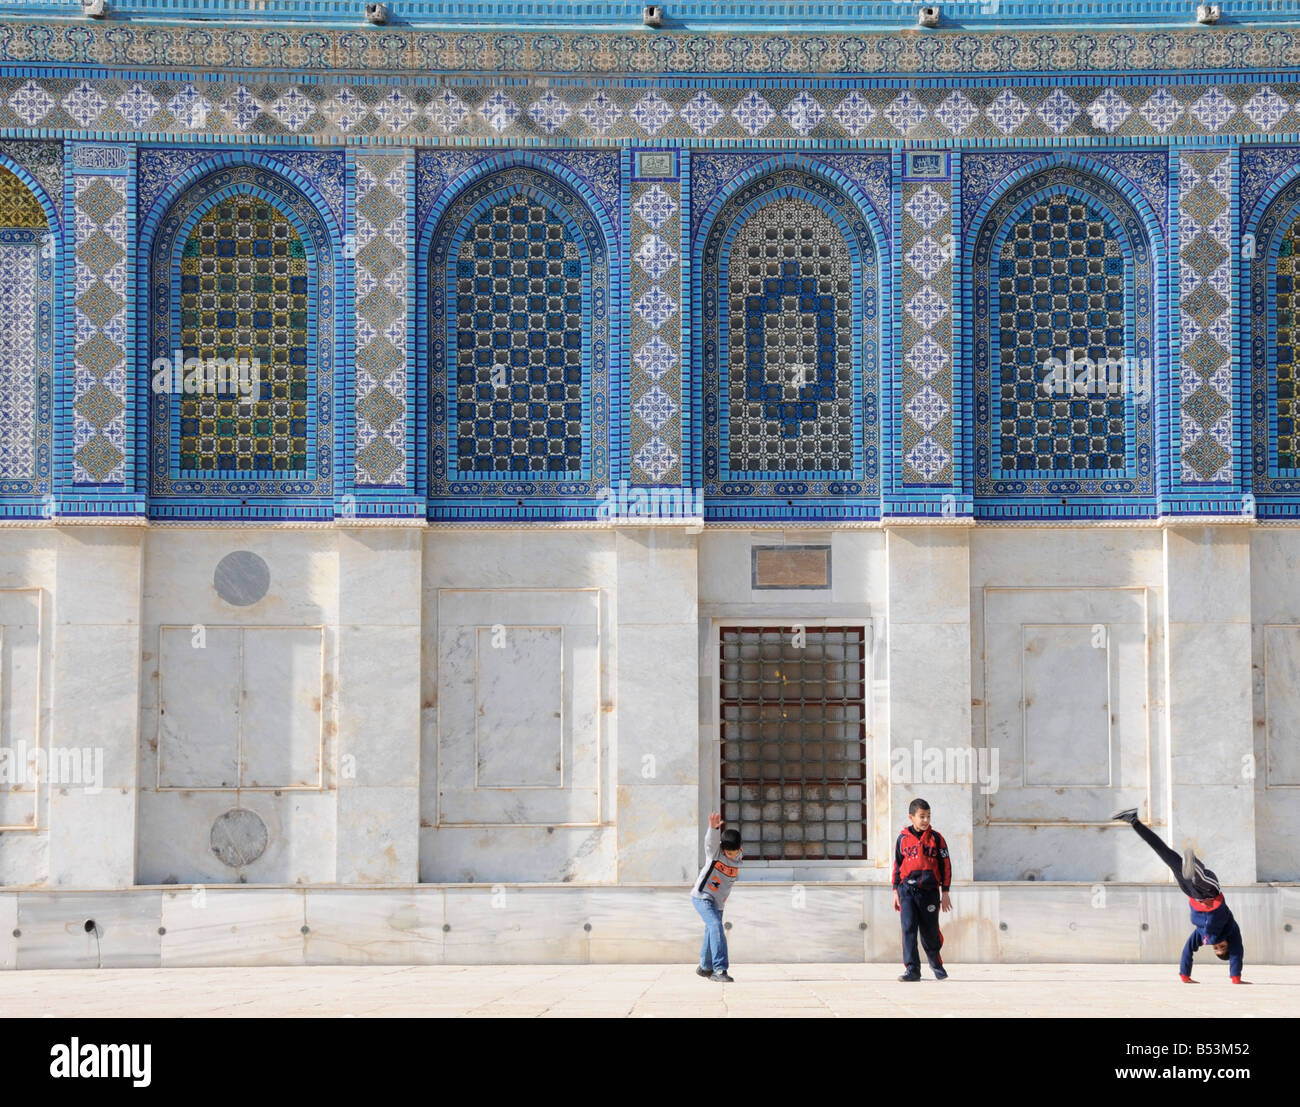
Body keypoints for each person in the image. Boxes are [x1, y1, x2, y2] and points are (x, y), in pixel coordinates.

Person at [1112, 809, 1244, 983]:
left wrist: (1185, 976)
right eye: (1222, 946)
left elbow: (1187, 950)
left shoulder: (1200, 935)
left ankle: (1134, 821)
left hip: (1193, 895)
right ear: (1228, 942)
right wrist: (1235, 978)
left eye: (1216, 948)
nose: (1217, 943)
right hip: (1212, 892)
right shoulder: (1232, 930)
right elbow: (1237, 951)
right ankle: (1193, 865)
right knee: (1201, 879)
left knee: (1162, 852)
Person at [892, 797, 952, 981]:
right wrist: (895, 890)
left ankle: (935, 962)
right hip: (907, 891)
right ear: (912, 817)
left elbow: (946, 865)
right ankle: (912, 970)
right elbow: (897, 865)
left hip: (929, 892)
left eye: (928, 816)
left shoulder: (937, 838)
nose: (926, 820)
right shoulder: (902, 839)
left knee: (929, 931)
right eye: (922, 816)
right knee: (908, 928)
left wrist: (946, 892)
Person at [691, 811, 742, 983]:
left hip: (718, 903)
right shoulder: (716, 853)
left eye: (733, 852)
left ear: (739, 849)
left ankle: (705, 967)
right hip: (702, 897)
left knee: (711, 930)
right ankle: (720, 969)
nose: (730, 855)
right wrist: (713, 830)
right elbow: (710, 844)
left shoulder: (738, 857)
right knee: (715, 925)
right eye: (727, 852)